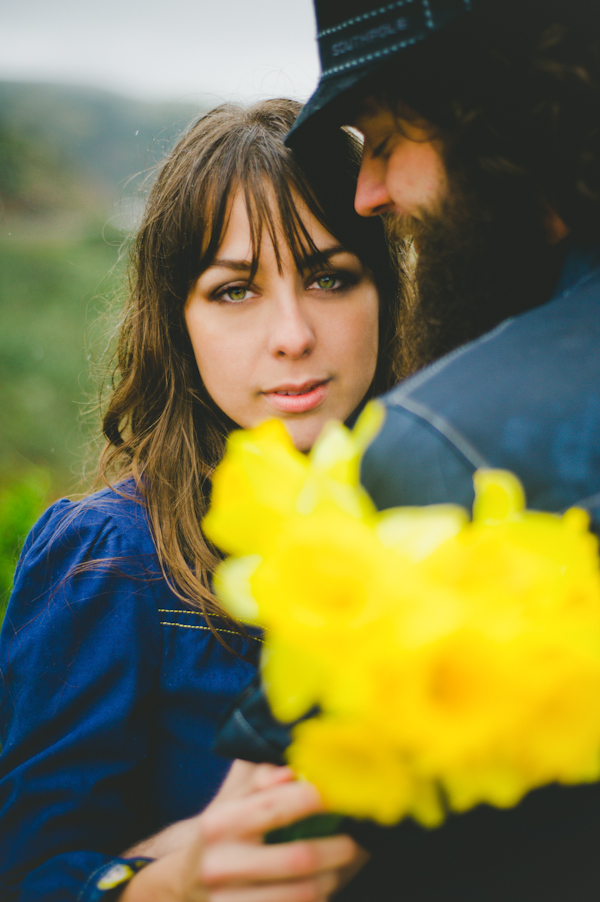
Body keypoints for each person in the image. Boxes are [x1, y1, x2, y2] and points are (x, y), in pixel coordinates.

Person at [218, 1, 600, 899]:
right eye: (233, 289)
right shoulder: (101, 550)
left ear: (503, 121)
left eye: (386, 139)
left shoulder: (442, 448)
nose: (368, 193)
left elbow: (264, 856)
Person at [0, 98, 403, 901]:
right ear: (177, 322)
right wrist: (168, 882)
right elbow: (29, 873)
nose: (292, 333)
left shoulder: (450, 523)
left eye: (330, 277)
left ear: (384, 298)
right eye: (234, 290)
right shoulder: (108, 556)